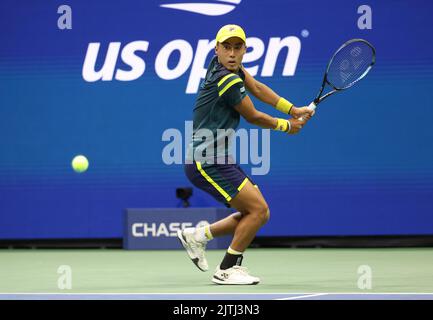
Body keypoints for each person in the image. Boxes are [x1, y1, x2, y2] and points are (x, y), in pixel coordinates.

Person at [177, 24, 314, 285]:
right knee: (258, 210)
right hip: (206, 160)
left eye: (237, 47)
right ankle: (227, 269)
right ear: (216, 49)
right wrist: (287, 125)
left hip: (218, 157)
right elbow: (252, 115)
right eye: (226, 47)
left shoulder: (228, 68)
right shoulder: (226, 78)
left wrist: (292, 109)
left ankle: (198, 236)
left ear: (244, 50)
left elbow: (258, 88)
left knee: (256, 212)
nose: (231, 53)